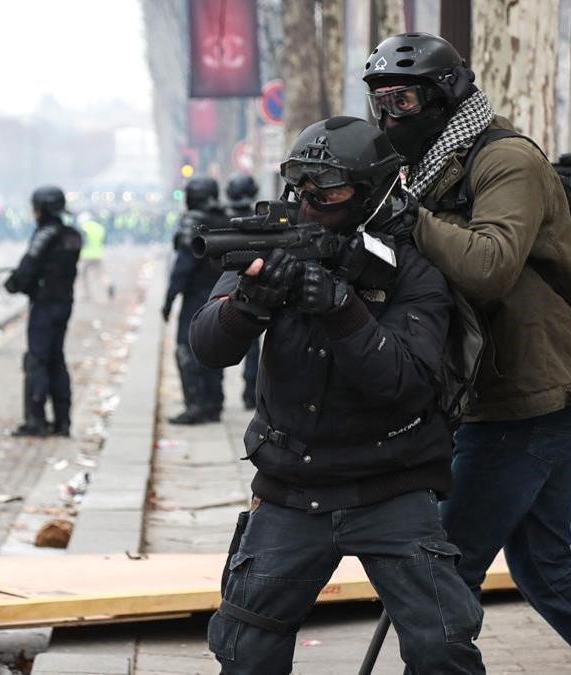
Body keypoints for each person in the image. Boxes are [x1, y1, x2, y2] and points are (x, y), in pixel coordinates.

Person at [364, 32, 571, 673]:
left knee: (441, 574)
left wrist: (409, 216)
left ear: (444, 97)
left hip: (527, 398)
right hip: (512, 393)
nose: (389, 117)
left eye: (401, 100)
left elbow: (489, 266)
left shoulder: (505, 161)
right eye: (379, 103)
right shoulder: (427, 166)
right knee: (547, 570)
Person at [191, 116, 485, 674]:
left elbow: (405, 385)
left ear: (372, 189)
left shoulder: (411, 267)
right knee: (246, 647)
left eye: (329, 191)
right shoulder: (275, 241)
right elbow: (208, 346)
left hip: (392, 485)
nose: (309, 203)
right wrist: (249, 303)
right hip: (292, 487)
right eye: (300, 187)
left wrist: (339, 306)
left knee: (441, 645)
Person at [4, 186, 82, 437]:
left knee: (37, 360)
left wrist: (14, 284)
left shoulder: (44, 235)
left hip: (45, 304)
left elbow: (28, 267)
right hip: (64, 302)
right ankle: (62, 421)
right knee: (57, 360)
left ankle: (36, 420)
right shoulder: (71, 235)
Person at [162, 177, 226, 425]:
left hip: (196, 299)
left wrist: (169, 299)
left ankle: (196, 405)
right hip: (221, 295)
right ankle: (213, 403)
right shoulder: (225, 218)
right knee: (215, 349)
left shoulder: (192, 222)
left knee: (187, 351)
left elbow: (183, 266)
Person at [225, 173, 263, 411]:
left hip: (223, 289)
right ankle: (251, 394)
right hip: (254, 288)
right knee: (253, 345)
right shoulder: (259, 216)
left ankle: (212, 399)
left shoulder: (223, 215)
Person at [78, 213, 108, 300]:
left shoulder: (83, 228)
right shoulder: (100, 228)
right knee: (101, 274)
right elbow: (104, 241)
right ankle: (108, 284)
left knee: (82, 276)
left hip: (85, 255)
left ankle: (86, 294)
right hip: (98, 254)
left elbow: (82, 242)